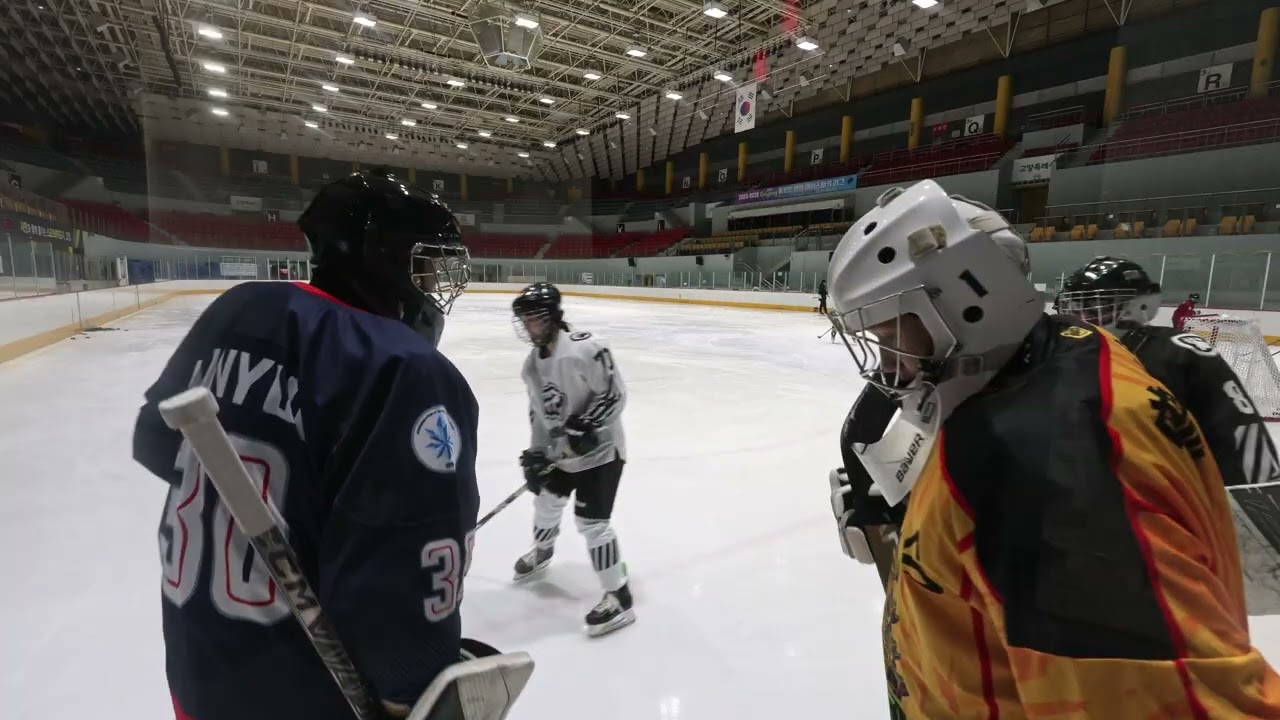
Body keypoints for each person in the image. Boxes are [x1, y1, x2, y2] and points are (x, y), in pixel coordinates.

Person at [824, 180, 1280, 717]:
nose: (887, 363)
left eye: (892, 333)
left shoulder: (1037, 471)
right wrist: (918, 519)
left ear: (971, 297)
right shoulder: (1066, 354)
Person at [132, 170, 525, 720]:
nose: (435, 282)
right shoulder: (402, 369)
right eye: (426, 264)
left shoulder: (238, 309)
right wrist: (413, 693)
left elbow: (155, 444)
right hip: (306, 693)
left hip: (201, 668)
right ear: (382, 257)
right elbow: (400, 586)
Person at [1057, 256, 1280, 487]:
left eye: (1096, 305)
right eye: (1077, 305)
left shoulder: (1179, 354)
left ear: (1138, 305)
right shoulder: (1067, 353)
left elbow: (1239, 437)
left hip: (1166, 500)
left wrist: (1244, 501)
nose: (1082, 315)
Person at [510, 282, 633, 637]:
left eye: (535, 319)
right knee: (546, 502)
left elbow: (615, 394)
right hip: (562, 454)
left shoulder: (587, 348)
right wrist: (535, 454)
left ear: (553, 317)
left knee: (592, 524)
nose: (530, 327)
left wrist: (587, 425)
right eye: (525, 320)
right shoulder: (532, 365)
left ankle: (619, 596)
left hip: (601, 453)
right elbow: (538, 414)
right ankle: (543, 551)